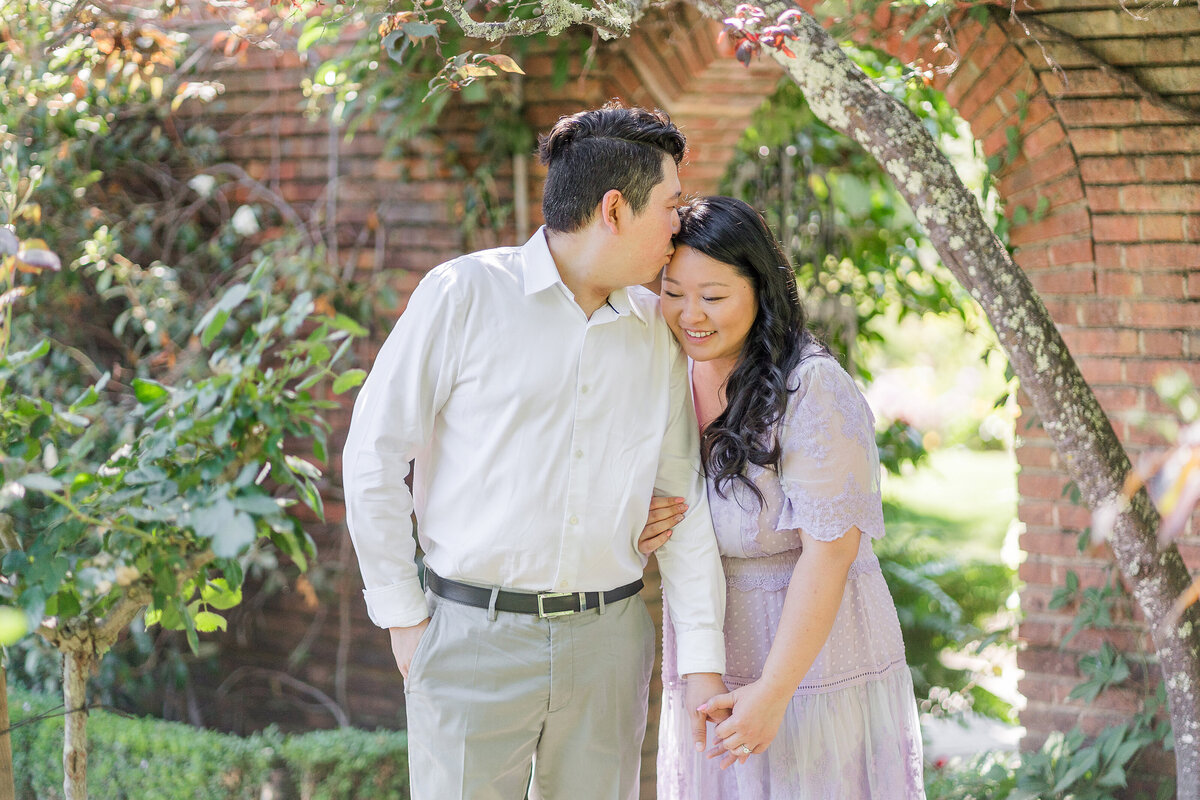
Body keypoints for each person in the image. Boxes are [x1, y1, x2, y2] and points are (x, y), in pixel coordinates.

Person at [342, 104, 728, 800]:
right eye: (671, 206)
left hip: (609, 644)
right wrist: (405, 620)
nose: (680, 225)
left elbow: (682, 500)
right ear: (615, 209)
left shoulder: (655, 331)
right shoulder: (462, 295)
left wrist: (702, 659)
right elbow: (373, 455)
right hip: (468, 639)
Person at [645, 196, 926, 799]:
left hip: (809, 655)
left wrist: (774, 692)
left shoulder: (811, 385)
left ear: (761, 289)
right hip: (711, 649)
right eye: (673, 292)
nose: (691, 315)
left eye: (713, 296)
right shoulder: (665, 370)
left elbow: (831, 553)